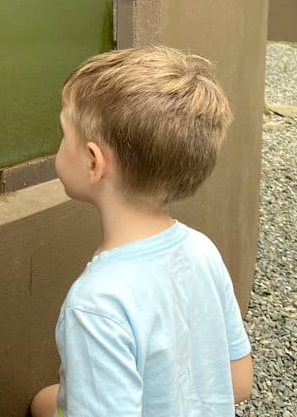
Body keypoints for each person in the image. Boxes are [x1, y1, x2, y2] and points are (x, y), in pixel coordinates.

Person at [30, 46, 253, 417]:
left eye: (62, 133)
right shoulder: (202, 250)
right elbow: (239, 381)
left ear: (92, 161)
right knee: (45, 402)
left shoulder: (97, 304)